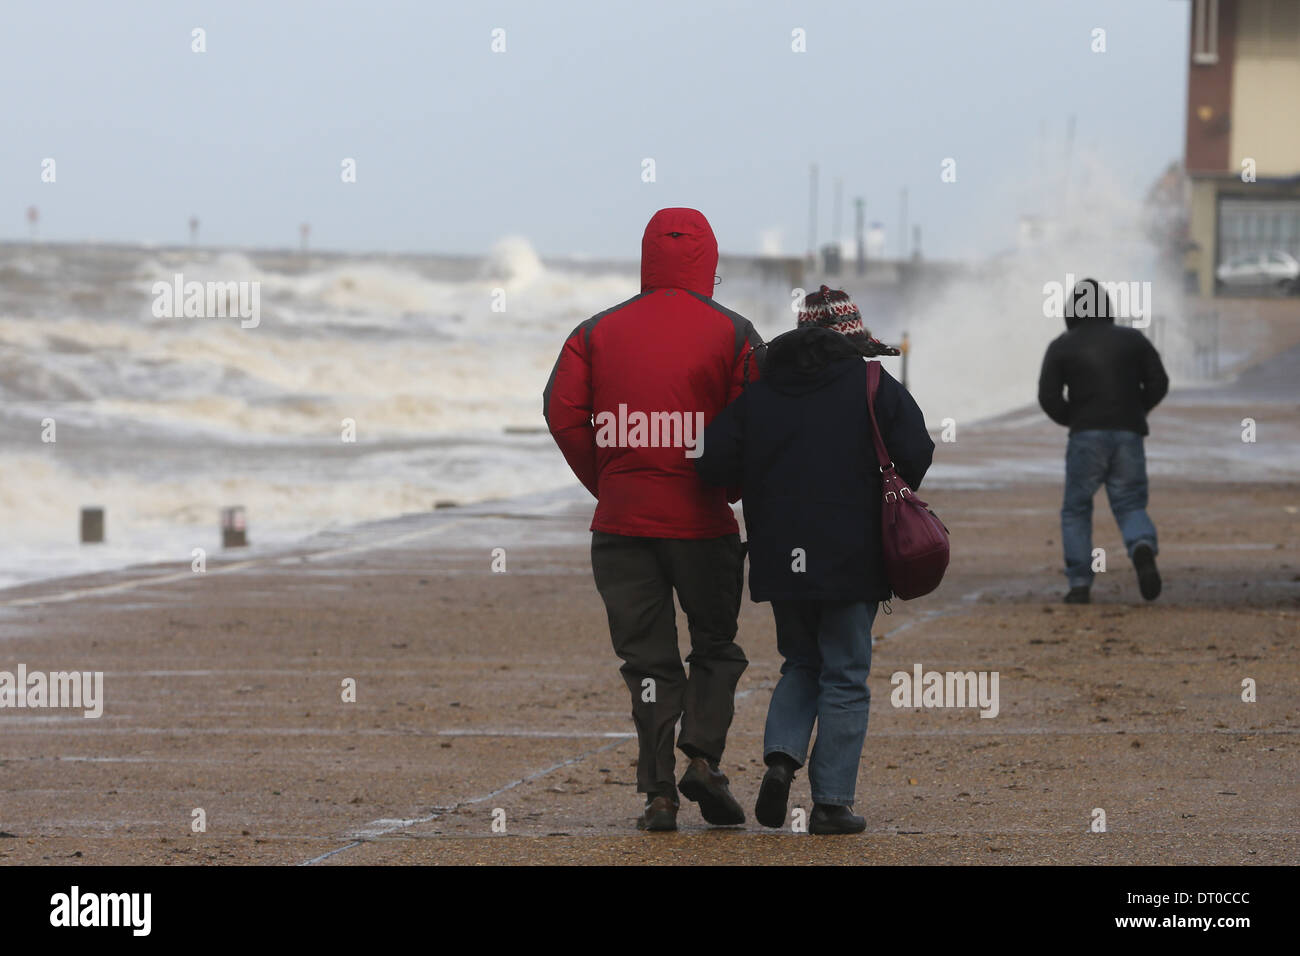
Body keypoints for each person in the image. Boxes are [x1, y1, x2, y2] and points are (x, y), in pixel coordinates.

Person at [542, 207, 763, 832]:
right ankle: (703, 758)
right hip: (703, 526)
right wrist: (731, 488)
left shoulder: (595, 331)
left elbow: (562, 414)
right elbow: (756, 425)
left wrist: (609, 482)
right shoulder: (736, 333)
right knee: (715, 648)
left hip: (622, 528)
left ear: (646, 257)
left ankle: (659, 795)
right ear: (710, 262)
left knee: (648, 666)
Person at [695, 286, 933, 834]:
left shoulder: (761, 392)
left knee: (801, 663)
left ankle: (781, 761)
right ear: (853, 340)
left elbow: (710, 460)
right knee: (845, 674)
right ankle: (830, 804)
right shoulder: (872, 384)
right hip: (854, 554)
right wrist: (884, 494)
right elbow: (917, 449)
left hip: (783, 556)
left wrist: (756, 486)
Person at [1037, 277, 1170, 604]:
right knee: (1129, 503)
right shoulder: (1134, 340)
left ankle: (1080, 584)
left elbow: (1048, 397)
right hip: (1128, 434)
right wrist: (1137, 409)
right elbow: (1159, 382)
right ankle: (1140, 546)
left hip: (1085, 437)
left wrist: (1075, 418)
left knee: (1077, 509)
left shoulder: (1062, 346)